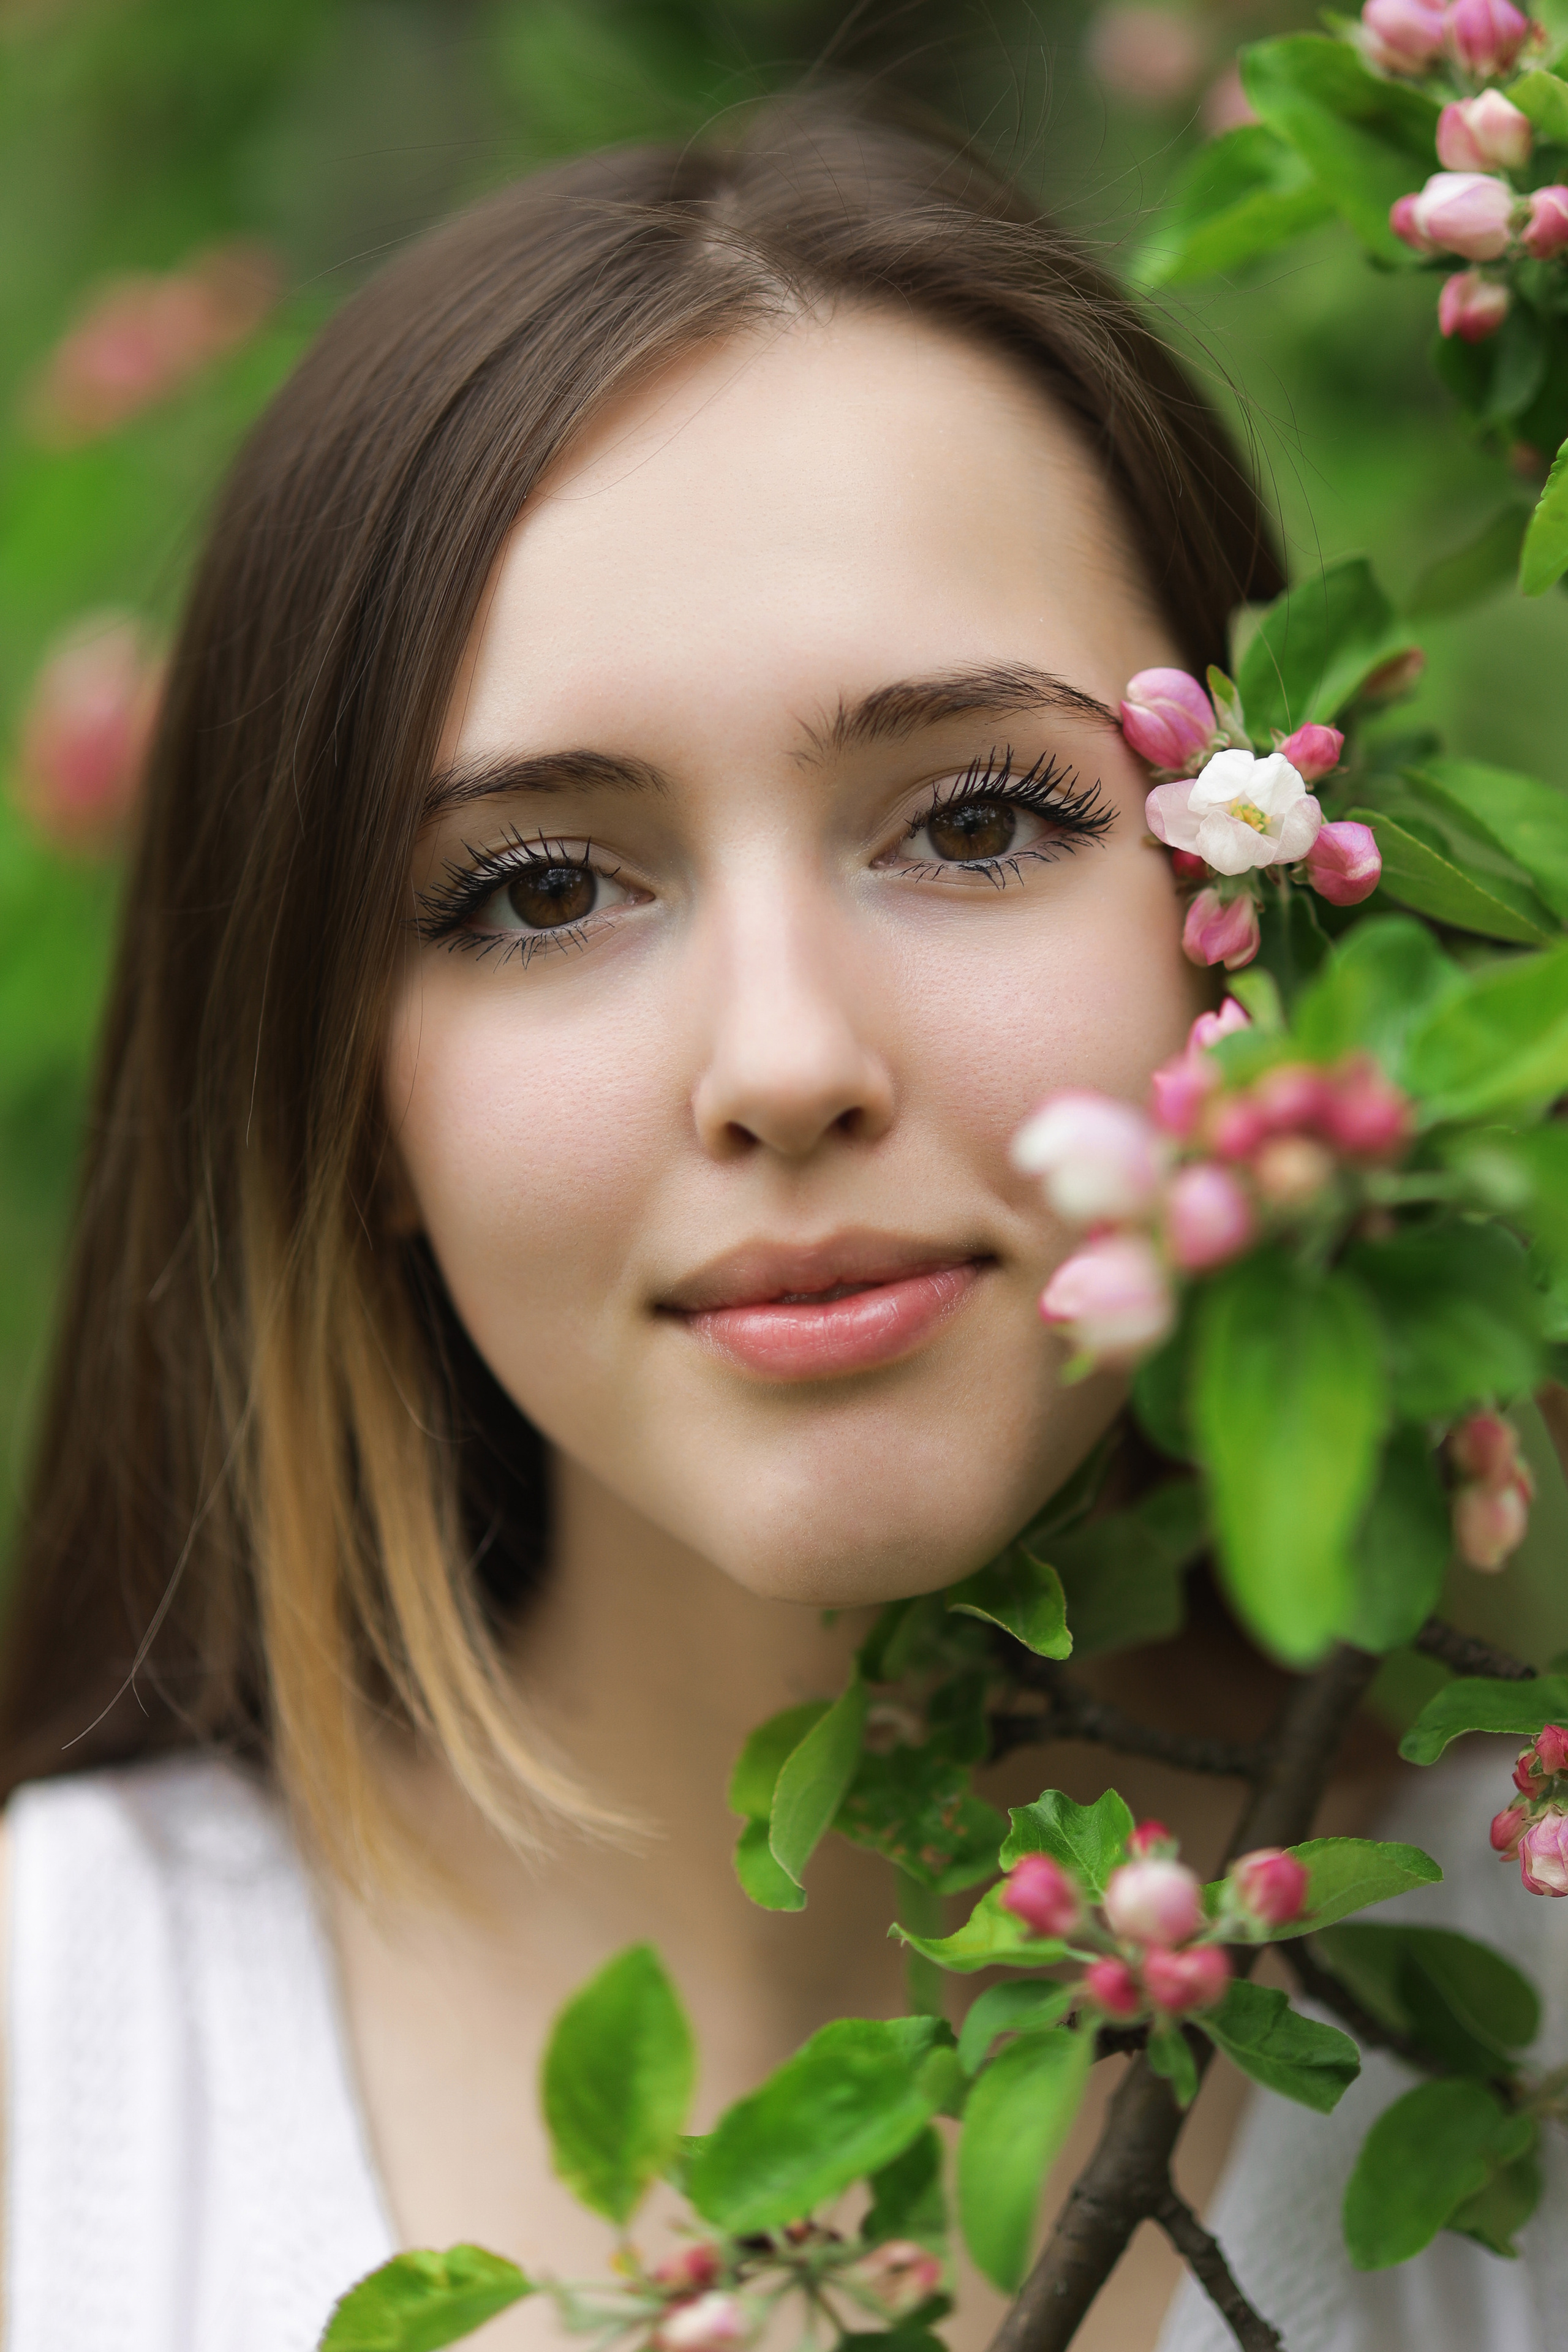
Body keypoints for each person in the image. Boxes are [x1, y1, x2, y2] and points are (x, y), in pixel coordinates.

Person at [1, 89, 1553, 2352]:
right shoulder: (60, 2070)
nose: (785, 1059)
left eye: (981, 821)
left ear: (1259, 909)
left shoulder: (1529, 2020)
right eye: (539, 888)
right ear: (342, 1103)